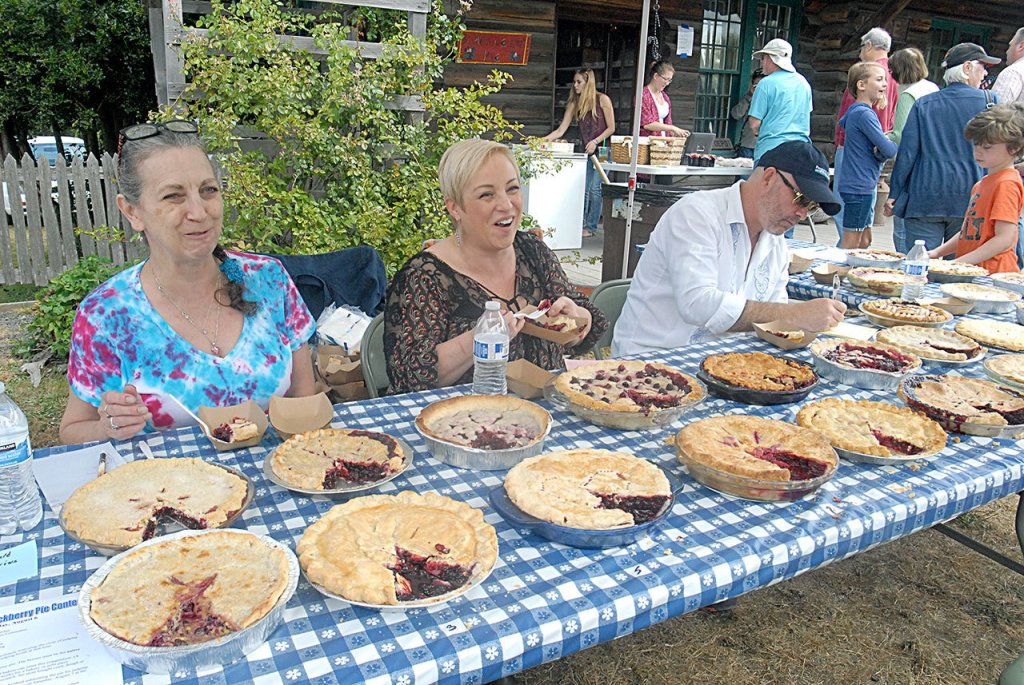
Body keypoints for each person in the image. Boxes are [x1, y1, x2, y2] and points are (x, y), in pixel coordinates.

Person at [59, 121, 316, 444]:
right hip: (167, 491)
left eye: (208, 190)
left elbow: (303, 395)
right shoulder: (106, 314)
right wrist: (107, 427)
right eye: (173, 196)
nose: (198, 211)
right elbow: (72, 430)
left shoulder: (268, 280)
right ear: (132, 212)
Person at [384, 139, 607, 394]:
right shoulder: (424, 275)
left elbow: (588, 324)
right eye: (486, 194)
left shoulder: (532, 251)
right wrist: (482, 337)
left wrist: (577, 317)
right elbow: (407, 377)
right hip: (459, 423)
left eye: (512, 189)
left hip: (545, 414)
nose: (506, 205)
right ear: (455, 207)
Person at [612, 141, 846, 355]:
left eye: (812, 206)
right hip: (651, 362)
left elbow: (774, 313)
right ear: (768, 178)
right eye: (800, 198)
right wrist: (795, 315)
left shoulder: (775, 240)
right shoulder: (696, 213)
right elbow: (697, 304)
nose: (802, 213)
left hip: (726, 364)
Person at [887, 43, 1002, 251]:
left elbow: (907, 153)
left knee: (917, 269)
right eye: (982, 66)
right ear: (967, 68)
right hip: (971, 198)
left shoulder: (923, 104)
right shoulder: (990, 102)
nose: (985, 73)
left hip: (924, 197)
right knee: (958, 274)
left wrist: (894, 192)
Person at [928, 103, 1024, 273]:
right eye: (976, 145)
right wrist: (937, 253)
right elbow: (969, 232)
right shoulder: (983, 183)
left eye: (987, 147)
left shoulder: (1006, 183)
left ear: (1014, 148)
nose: (978, 151)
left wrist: (957, 264)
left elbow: (1004, 238)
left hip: (994, 275)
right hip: (976, 272)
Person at [832, 27, 900, 241]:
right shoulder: (885, 77)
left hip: (858, 165)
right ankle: (844, 267)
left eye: (884, 82)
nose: (884, 85)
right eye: (880, 82)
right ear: (861, 86)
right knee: (854, 233)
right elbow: (888, 148)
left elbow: (844, 122)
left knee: (859, 232)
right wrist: (881, 148)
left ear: (869, 45)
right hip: (863, 171)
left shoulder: (867, 74)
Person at [544, 68, 616, 239]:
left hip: (604, 150)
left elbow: (611, 127)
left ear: (588, 83)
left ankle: (591, 227)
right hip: (587, 151)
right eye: (574, 82)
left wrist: (595, 141)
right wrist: (543, 140)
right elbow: (561, 130)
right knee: (583, 188)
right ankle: (579, 223)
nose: (575, 85)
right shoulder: (574, 103)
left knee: (595, 189)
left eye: (579, 82)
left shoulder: (602, 99)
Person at [885, 47, 939, 253]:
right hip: (932, 160)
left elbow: (901, 135)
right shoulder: (932, 87)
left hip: (913, 164)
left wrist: (881, 137)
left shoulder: (909, 94)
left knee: (902, 230)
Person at [747, 39, 813, 163]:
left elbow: (754, 123)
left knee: (765, 183)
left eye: (764, 57)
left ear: (771, 58)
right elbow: (805, 114)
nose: (762, 62)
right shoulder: (804, 83)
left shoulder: (765, 84)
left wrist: (760, 132)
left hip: (770, 151)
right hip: (799, 151)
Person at [639, 61, 688, 137]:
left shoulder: (665, 97)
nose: (667, 83)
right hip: (647, 143)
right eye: (665, 79)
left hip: (663, 143)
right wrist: (672, 128)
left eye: (669, 80)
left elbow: (668, 123)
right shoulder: (643, 95)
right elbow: (647, 124)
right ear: (655, 76)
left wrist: (679, 133)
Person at [730, 71, 764, 158]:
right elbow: (736, 114)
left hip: (763, 146)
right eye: (756, 85)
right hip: (747, 145)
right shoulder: (748, 99)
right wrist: (749, 96)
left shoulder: (772, 100)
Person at [992, 27, 1024, 104]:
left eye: (1010, 45)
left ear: (1021, 46)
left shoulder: (1014, 72)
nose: (1007, 51)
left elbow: (996, 111)